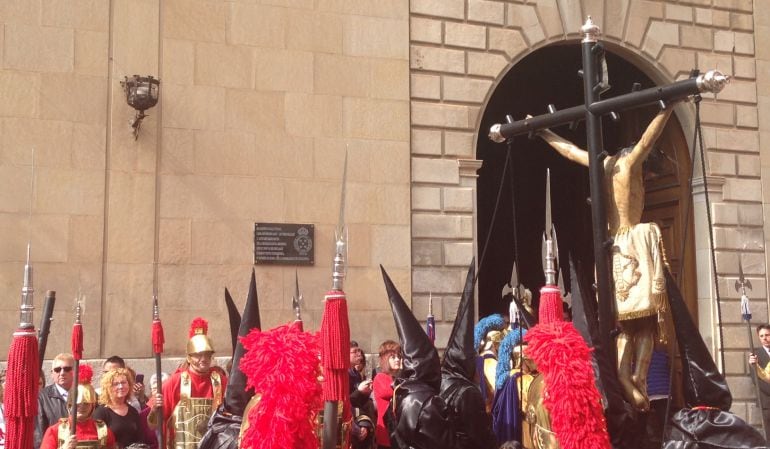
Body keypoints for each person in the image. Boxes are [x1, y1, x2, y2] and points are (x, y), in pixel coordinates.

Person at [535, 106, 676, 411]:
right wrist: (670, 107)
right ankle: (638, 376)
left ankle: (625, 379)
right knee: (646, 324)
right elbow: (649, 140)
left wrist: (543, 130)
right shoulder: (628, 165)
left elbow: (570, 151)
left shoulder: (602, 166)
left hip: (610, 248)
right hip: (633, 244)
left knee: (624, 325)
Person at [150, 317, 227, 449]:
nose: (203, 359)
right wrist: (155, 410)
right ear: (189, 357)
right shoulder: (175, 381)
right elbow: (153, 424)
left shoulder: (221, 381)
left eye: (207, 355)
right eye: (198, 355)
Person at [40, 365, 117, 449]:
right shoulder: (54, 431)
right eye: (77, 403)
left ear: (93, 405)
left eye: (86, 403)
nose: (82, 407)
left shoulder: (104, 431)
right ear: (70, 404)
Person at [93, 368, 146, 449]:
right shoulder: (101, 412)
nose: (121, 386)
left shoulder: (133, 411)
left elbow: (140, 438)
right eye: (116, 384)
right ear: (108, 388)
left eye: (123, 382)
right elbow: (97, 442)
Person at [35, 353, 76, 449]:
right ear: (52, 373)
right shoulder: (41, 398)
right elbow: (39, 436)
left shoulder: (85, 395)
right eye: (57, 370)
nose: (62, 373)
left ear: (75, 371)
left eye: (67, 369)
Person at [372, 340, 401, 449]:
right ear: (385, 359)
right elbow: (394, 392)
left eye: (399, 356)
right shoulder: (380, 378)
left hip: (399, 433)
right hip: (386, 433)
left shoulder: (398, 378)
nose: (397, 359)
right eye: (393, 357)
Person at [748, 323, 770, 439]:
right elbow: (756, 380)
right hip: (766, 401)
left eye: (767, 335)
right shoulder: (755, 356)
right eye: (761, 336)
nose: (764, 338)